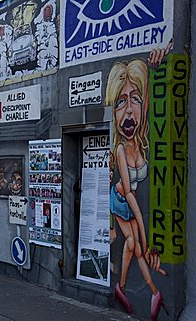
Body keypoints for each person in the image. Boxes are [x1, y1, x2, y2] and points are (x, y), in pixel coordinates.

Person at [107, 48, 170, 321]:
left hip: (131, 203)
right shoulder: (120, 150)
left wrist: (161, 57)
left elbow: (147, 105)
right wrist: (147, 240)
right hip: (120, 201)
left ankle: (148, 293)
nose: (129, 110)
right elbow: (130, 196)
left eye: (135, 99)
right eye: (121, 102)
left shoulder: (144, 147)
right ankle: (132, 289)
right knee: (135, 242)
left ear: (144, 104)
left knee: (132, 245)